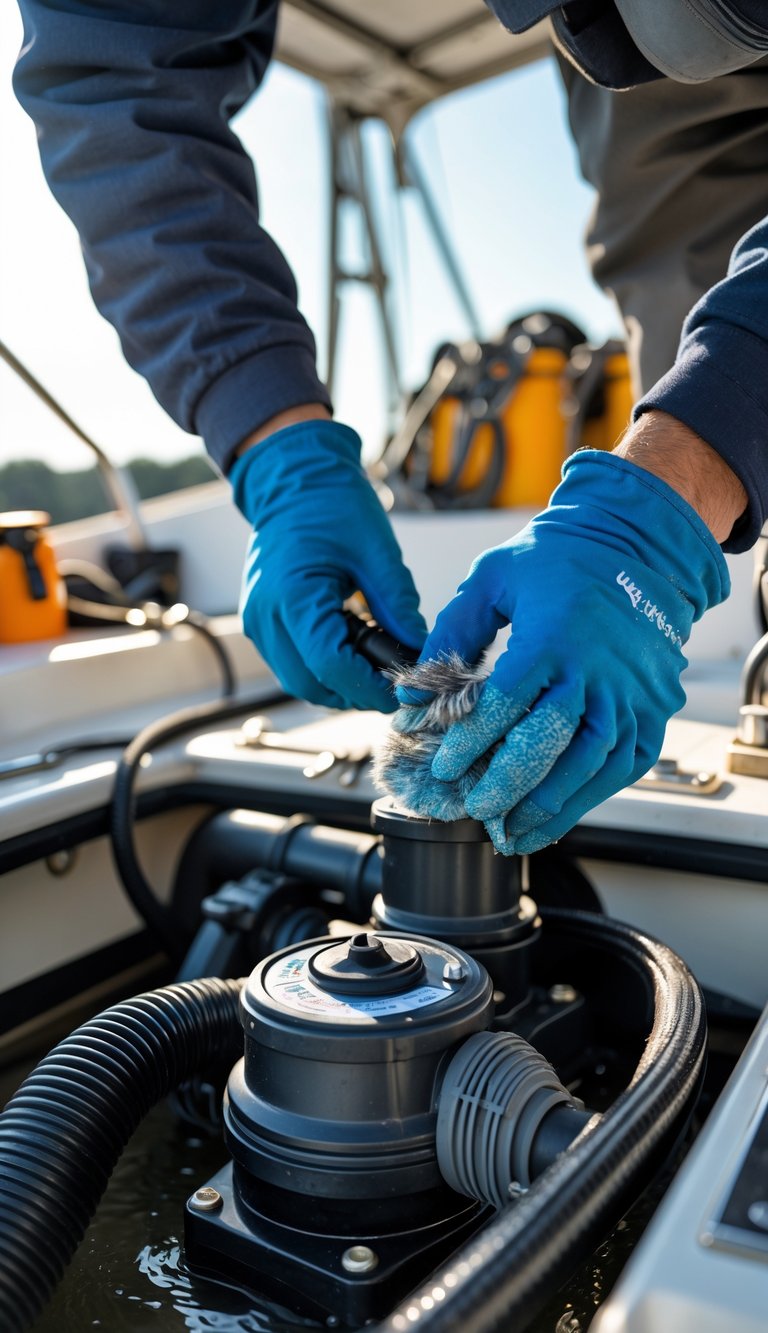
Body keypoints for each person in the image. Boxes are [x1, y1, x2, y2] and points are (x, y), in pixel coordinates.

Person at [12, 1, 767, 855]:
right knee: (685, 296)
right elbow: (114, 80)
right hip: (651, 69)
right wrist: (274, 443)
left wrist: (673, 501)